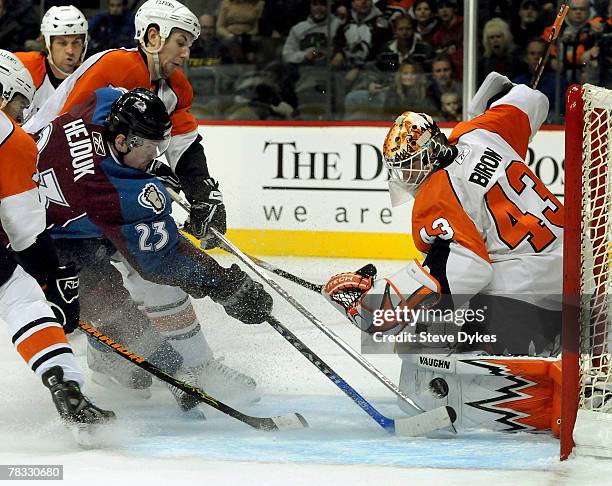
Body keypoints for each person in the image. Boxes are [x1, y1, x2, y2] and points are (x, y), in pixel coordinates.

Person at [22, 0, 240, 398]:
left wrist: (204, 191)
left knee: (156, 284)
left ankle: (201, 367)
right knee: (126, 286)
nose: (187, 52)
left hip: (92, 203)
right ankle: (122, 358)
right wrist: (226, 286)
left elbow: (185, 144)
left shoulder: (174, 88)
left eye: (191, 43)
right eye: (181, 41)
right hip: (61, 210)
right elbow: (77, 142)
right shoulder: (115, 68)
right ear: (152, 37)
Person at [322, 72, 563, 433]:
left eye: (410, 163)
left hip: (534, 299)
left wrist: (373, 306)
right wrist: (504, 96)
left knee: (422, 332)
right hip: (576, 269)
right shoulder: (480, 132)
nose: (405, 175)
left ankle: (500, 386)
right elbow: (533, 101)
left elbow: (460, 272)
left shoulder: (438, 194)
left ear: (430, 151)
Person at [31, 86, 273, 410]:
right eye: (150, 148)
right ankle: (164, 368)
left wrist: (152, 168)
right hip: (44, 241)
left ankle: (197, 367)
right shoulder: (116, 191)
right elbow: (162, 259)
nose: (156, 156)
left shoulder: (103, 103)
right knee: (109, 306)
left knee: (150, 290)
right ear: (121, 141)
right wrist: (224, 285)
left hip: (68, 215)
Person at [0, 49, 115, 436]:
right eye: (18, 102)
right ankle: (63, 381)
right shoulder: (11, 141)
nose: (21, 115)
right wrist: (52, 282)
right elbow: (24, 231)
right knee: (22, 297)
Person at [15, 5, 88, 120]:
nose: (70, 51)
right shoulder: (22, 67)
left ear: (84, 44)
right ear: (47, 44)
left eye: (76, 42)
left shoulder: (89, 77)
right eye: (62, 43)